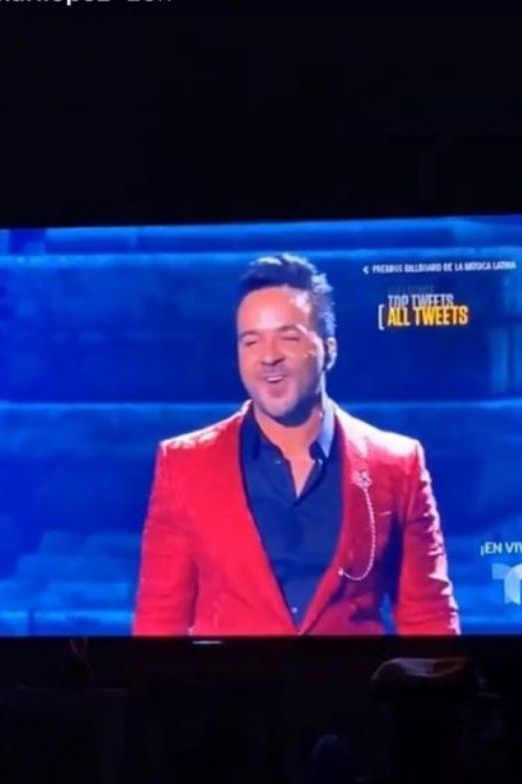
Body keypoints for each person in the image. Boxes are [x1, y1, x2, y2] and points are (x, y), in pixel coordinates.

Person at [133, 252, 460, 636]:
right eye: (251, 341)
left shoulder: (398, 465)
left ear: (329, 350)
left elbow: (429, 618)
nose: (268, 357)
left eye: (288, 337)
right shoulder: (185, 465)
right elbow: (159, 623)